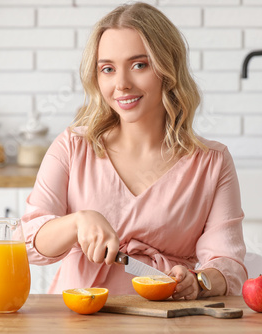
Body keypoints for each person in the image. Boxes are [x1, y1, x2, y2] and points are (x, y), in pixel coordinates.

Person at [21, 2, 247, 300]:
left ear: (168, 69)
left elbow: (228, 264)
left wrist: (200, 282)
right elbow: (24, 244)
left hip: (167, 320)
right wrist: (76, 222)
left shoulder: (211, 163)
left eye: (139, 65)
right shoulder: (72, 147)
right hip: (79, 320)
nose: (122, 84)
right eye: (108, 69)